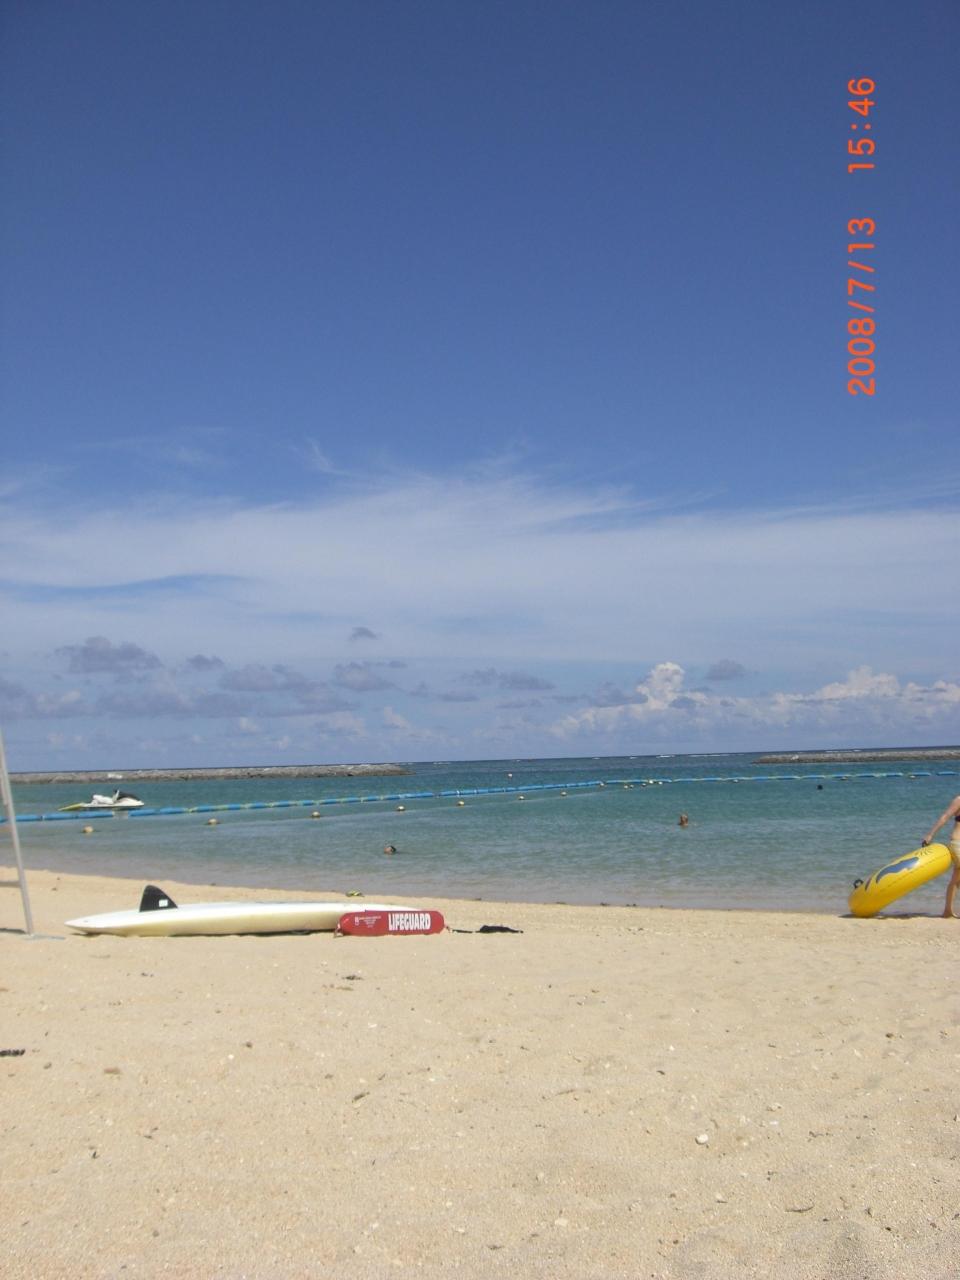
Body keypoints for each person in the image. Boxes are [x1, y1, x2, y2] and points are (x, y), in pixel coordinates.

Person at [921, 795, 960, 918]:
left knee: (956, 878)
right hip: (958, 843)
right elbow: (945, 817)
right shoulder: (959, 800)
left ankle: (948, 911)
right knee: (956, 878)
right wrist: (930, 835)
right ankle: (947, 911)